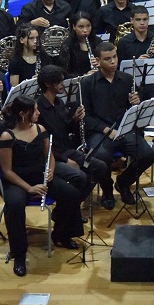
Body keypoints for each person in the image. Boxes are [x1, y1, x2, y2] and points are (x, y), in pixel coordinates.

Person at [0, 95, 85, 276]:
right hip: (17, 181)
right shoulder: (7, 136)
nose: (38, 113)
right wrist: (29, 188)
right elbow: (7, 171)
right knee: (14, 204)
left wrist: (51, 171)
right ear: (23, 114)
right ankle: (19, 254)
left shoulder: (40, 129)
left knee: (71, 194)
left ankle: (61, 234)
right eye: (35, 111)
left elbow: (49, 156)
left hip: (40, 175)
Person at [80, 41, 150, 208]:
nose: (113, 62)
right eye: (108, 59)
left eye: (115, 57)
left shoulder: (127, 79)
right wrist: (105, 130)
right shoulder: (87, 83)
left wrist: (136, 102)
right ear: (98, 60)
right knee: (100, 157)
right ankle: (107, 189)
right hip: (100, 131)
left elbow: (135, 110)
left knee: (147, 154)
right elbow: (86, 117)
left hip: (124, 129)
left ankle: (123, 182)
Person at [34, 65, 104, 210]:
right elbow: (42, 146)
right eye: (59, 82)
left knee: (99, 167)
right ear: (48, 84)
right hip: (52, 158)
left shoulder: (59, 103)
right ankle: (68, 210)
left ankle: (67, 209)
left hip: (67, 150)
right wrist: (66, 160)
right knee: (80, 176)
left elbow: (66, 130)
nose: (63, 84)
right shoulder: (38, 109)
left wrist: (75, 119)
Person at [58, 11, 98, 78]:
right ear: (74, 27)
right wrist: (84, 75)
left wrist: (101, 64)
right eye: (81, 27)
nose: (85, 30)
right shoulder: (67, 45)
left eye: (88, 26)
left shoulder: (97, 41)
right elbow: (63, 73)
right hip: (78, 82)